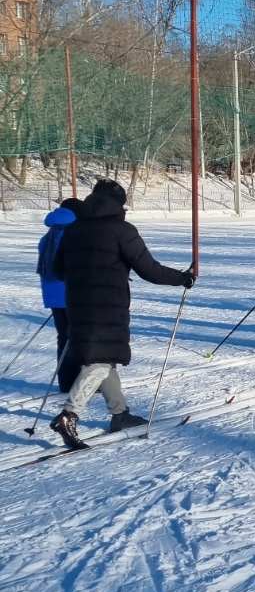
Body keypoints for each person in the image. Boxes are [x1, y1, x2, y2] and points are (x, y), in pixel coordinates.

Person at [49, 179, 194, 449]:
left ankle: (120, 414)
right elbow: (149, 269)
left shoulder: (73, 230)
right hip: (107, 304)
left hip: (77, 303)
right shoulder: (121, 229)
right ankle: (69, 414)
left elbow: (58, 270)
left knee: (105, 358)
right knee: (101, 361)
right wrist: (182, 278)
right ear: (118, 204)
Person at [36, 196, 84, 393]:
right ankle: (82, 382)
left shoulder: (49, 234)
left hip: (53, 294)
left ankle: (66, 381)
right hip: (72, 292)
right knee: (80, 337)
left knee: (63, 338)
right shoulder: (75, 233)